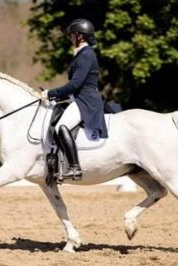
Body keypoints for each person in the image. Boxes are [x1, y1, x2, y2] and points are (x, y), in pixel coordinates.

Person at [41, 18, 108, 181]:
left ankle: (74, 167)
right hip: (79, 98)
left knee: (61, 127)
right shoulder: (82, 54)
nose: (70, 38)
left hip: (85, 101)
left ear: (80, 36)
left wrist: (50, 93)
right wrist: (56, 96)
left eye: (72, 35)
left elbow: (75, 84)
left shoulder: (86, 55)